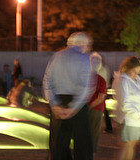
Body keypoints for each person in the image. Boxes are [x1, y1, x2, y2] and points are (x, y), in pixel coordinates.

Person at [43, 32, 94, 160]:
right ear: (82, 43)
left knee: (58, 145)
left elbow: (47, 80)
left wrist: (54, 104)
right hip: (78, 105)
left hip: (58, 101)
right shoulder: (84, 59)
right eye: (88, 45)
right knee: (83, 145)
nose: (88, 48)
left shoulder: (56, 56)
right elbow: (84, 86)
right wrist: (73, 107)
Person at [113, 56, 140, 160]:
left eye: (138, 72)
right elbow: (124, 102)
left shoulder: (138, 79)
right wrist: (137, 114)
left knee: (131, 146)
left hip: (138, 120)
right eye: (134, 71)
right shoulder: (122, 81)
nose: (136, 74)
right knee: (127, 146)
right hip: (129, 119)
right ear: (127, 69)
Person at [89, 52, 107, 153]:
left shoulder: (82, 79)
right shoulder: (101, 80)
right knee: (94, 133)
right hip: (97, 110)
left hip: (83, 109)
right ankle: (90, 152)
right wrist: (91, 107)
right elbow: (100, 98)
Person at [97, 54, 113, 133]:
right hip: (104, 89)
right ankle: (108, 127)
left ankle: (108, 127)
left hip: (100, 90)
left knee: (102, 109)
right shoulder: (105, 68)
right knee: (103, 109)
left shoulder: (101, 69)